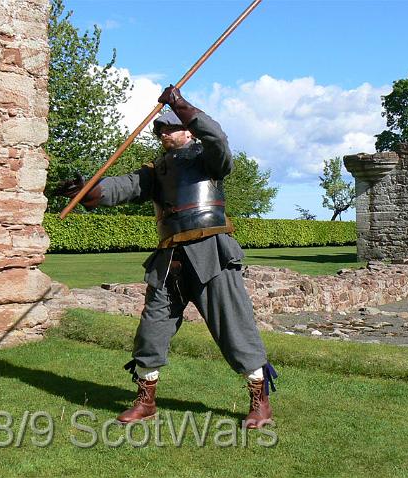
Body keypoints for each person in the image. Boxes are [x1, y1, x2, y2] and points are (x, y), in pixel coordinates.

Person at [57, 86, 276, 429]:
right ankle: (146, 402)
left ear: (187, 129)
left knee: (237, 332)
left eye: (170, 126)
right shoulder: (155, 171)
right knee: (150, 332)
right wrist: (88, 191)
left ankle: (260, 403)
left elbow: (217, 137)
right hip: (169, 260)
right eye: (160, 127)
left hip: (211, 255)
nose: (162, 131)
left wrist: (181, 103)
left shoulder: (209, 158)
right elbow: (122, 187)